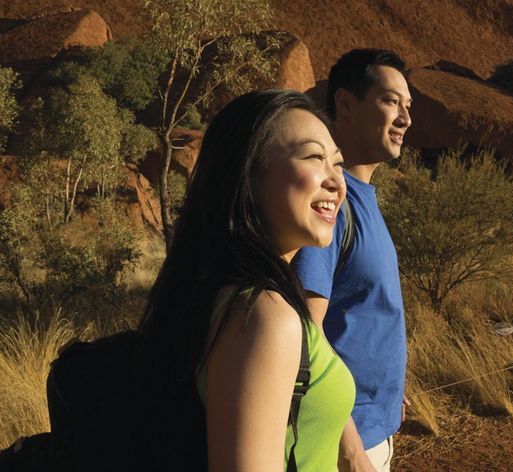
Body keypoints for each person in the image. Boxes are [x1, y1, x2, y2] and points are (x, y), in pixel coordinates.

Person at [137, 89, 359, 470]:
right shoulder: (265, 316)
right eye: (314, 157)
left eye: (337, 163)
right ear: (249, 174)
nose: (336, 182)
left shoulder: (221, 291)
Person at [293, 48, 413, 471]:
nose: (405, 118)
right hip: (340, 443)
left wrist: (389, 391)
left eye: (408, 106)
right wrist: (349, 448)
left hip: (374, 429)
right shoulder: (329, 202)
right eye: (391, 101)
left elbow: (364, 310)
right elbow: (305, 333)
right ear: (345, 103)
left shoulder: (364, 199)